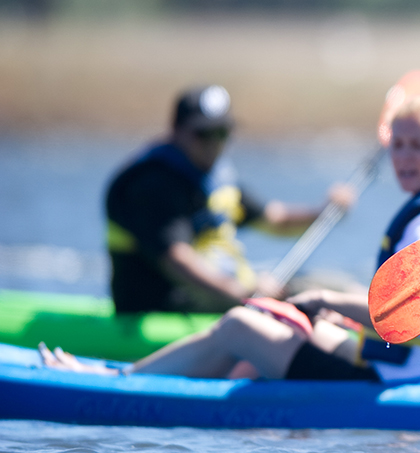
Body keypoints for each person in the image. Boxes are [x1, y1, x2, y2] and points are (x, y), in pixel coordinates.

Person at [47, 94, 420, 383]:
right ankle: (210, 382)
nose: (403, 158)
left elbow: (405, 316)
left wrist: (326, 298)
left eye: (418, 147)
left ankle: (118, 381)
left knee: (241, 325)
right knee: (284, 315)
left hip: (407, 372)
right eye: (399, 145)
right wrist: (320, 308)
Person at [105, 84, 354, 314]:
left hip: (226, 294)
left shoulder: (212, 178)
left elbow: (275, 220)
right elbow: (177, 261)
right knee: (313, 304)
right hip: (164, 305)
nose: (213, 143)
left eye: (222, 133)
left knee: (338, 288)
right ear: (177, 131)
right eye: (203, 134)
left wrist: (326, 211)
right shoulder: (150, 185)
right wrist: (244, 294)